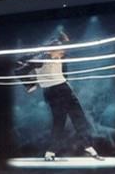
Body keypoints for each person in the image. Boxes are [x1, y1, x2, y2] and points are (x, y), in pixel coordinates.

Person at [20, 30, 103, 159]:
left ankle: (55, 151)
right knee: (69, 119)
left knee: (69, 120)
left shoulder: (53, 55)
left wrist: (35, 82)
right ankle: (82, 148)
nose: (64, 52)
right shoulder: (41, 58)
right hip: (57, 90)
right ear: (54, 47)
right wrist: (30, 84)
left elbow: (60, 70)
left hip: (58, 89)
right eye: (62, 48)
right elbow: (20, 68)